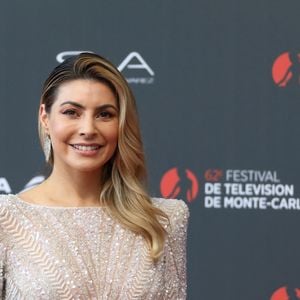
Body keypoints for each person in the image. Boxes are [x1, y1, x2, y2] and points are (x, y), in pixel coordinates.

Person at [0, 52, 189, 299]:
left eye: (104, 114)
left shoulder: (165, 220)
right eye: (71, 112)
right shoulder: (6, 219)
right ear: (45, 118)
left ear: (121, 123)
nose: (88, 129)